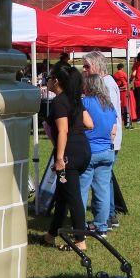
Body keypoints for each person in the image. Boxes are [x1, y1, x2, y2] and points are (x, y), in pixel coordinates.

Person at [44, 70, 90, 252]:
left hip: (68, 157)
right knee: (63, 193)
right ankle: (50, 235)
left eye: (48, 79)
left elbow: (62, 131)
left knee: (73, 197)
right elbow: (89, 123)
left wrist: (60, 158)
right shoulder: (75, 100)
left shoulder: (60, 101)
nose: (47, 82)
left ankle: (80, 240)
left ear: (56, 81)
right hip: (83, 152)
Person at [83, 51, 124, 228]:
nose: (84, 70)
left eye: (87, 66)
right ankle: (109, 216)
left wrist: (109, 139)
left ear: (97, 66)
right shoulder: (105, 83)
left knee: (102, 183)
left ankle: (108, 216)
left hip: (106, 142)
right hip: (106, 142)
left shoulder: (106, 84)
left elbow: (110, 116)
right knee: (104, 181)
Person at [77, 73, 119, 235]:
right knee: (103, 190)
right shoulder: (109, 104)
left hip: (88, 152)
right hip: (106, 151)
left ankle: (79, 226)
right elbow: (113, 131)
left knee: (81, 190)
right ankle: (102, 226)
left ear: (87, 86)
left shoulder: (84, 103)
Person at [112, 63, 133, 131]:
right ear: (122, 68)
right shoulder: (123, 73)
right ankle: (127, 122)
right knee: (126, 107)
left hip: (118, 92)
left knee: (119, 107)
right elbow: (127, 81)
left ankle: (120, 121)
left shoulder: (115, 74)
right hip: (124, 91)